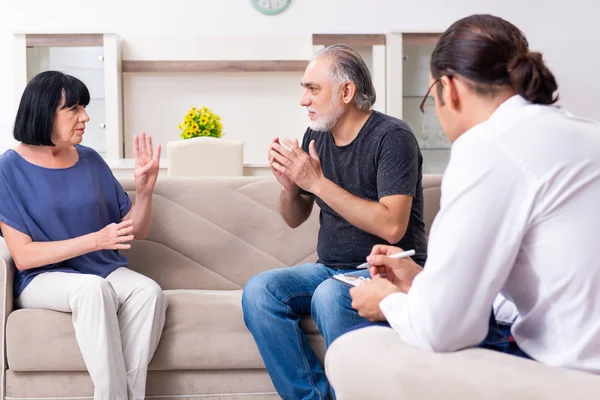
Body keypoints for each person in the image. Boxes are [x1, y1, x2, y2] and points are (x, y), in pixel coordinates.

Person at [327, 13, 600, 392]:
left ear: (448, 88)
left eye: (430, 99)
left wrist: (386, 299)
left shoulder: (488, 145)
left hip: (573, 376)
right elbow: (546, 291)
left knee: (351, 350)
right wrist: (421, 285)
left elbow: (443, 331)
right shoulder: (583, 131)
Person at [242, 44, 427, 399]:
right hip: (330, 268)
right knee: (260, 290)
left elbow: (393, 227)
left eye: (313, 89)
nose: (303, 100)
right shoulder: (317, 136)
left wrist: (316, 182)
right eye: (304, 89)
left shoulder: (392, 138)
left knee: (330, 296)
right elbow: (295, 218)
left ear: (346, 92)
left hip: (387, 269)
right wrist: (291, 189)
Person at [0, 71, 168, 400]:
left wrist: (146, 192)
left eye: (84, 108)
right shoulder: (8, 169)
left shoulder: (90, 159)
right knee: (93, 289)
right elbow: (23, 256)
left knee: (148, 291)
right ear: (44, 111)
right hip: (42, 278)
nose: (86, 117)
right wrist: (94, 240)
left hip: (101, 267)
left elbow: (138, 230)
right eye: (74, 108)